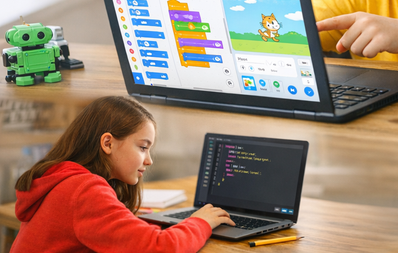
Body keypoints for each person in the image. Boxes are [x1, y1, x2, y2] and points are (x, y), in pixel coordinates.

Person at [11, 96, 234, 253]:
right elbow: (162, 248)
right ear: (107, 143)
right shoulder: (83, 190)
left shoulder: (63, 178)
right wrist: (199, 222)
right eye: (142, 147)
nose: (149, 160)